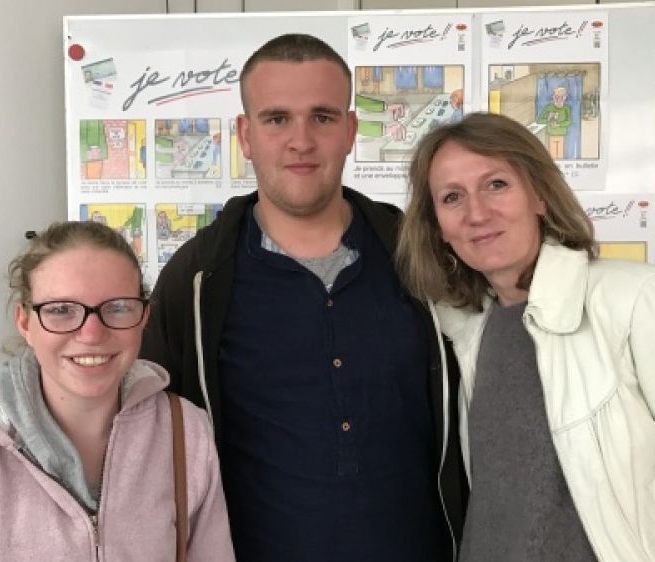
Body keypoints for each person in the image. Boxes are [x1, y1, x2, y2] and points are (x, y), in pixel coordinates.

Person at [395, 112, 655, 561]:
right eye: (452, 197)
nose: (477, 213)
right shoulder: (464, 331)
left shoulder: (638, 300)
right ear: (439, 228)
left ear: (539, 195)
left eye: (497, 184)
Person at [142, 33, 464, 562]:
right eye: (276, 119)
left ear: (350, 130)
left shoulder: (423, 256)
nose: (301, 140)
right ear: (245, 135)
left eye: (322, 116)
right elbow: (143, 432)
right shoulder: (197, 278)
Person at [0, 221, 234, 562]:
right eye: (61, 311)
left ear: (144, 316)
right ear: (25, 322)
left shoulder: (186, 432)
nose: (92, 333)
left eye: (117, 307)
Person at [536, 86, 572, 159]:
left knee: (560, 156)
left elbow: (568, 122)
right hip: (551, 134)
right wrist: (549, 120)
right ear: (553, 97)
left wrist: (558, 124)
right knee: (552, 157)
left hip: (561, 135)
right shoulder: (549, 107)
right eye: (556, 97)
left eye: (561, 97)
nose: (558, 99)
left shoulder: (566, 108)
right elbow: (539, 120)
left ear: (565, 97)